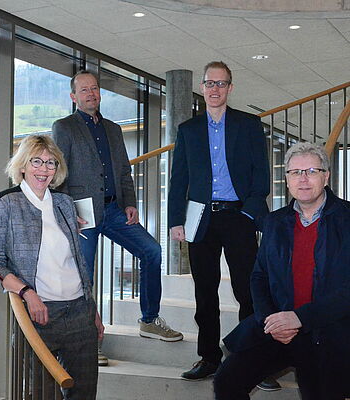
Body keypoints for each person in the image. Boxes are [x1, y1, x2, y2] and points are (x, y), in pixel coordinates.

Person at [52, 71, 182, 366]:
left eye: (94, 89)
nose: (91, 94)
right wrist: (66, 211)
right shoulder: (64, 127)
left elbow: (124, 170)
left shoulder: (112, 129)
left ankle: (149, 320)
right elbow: (59, 173)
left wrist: (130, 203)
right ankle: (89, 342)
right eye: (84, 90)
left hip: (114, 210)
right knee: (84, 277)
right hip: (81, 212)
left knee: (152, 251)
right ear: (74, 97)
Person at [214, 142, 350, 399]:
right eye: (295, 172)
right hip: (279, 329)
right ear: (287, 179)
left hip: (327, 331)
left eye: (311, 170)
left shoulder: (347, 219)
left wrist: (301, 318)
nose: (303, 178)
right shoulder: (274, 222)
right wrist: (271, 320)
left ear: (326, 176)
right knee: (227, 380)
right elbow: (259, 276)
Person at [168, 61, 270, 381]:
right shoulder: (188, 130)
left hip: (238, 215)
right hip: (201, 220)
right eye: (209, 83)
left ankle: (250, 358)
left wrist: (250, 212)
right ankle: (209, 358)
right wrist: (175, 220)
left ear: (230, 88)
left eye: (221, 84)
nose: (214, 89)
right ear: (202, 87)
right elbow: (178, 180)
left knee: (247, 291)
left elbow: (261, 176)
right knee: (205, 292)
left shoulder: (249, 125)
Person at [0, 134, 104, 399]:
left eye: (51, 163)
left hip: (79, 313)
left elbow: (76, 260)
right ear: (23, 165)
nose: (44, 169)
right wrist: (27, 292)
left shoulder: (63, 203)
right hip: (38, 316)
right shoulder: (5, 203)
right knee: (41, 394)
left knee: (84, 394)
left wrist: (91, 307)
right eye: (36, 161)